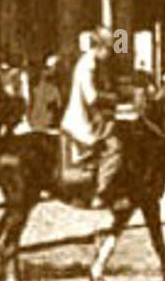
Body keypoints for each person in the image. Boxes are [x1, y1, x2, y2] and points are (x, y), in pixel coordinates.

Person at [61, 27, 123, 208]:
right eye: (108, 50)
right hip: (81, 121)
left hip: (93, 117)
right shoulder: (88, 64)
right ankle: (101, 192)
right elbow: (91, 96)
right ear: (100, 47)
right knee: (115, 148)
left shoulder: (95, 63)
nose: (110, 55)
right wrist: (114, 97)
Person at [27, 53, 64, 132]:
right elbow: (54, 104)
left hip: (44, 124)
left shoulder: (56, 83)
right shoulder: (46, 83)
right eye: (54, 66)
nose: (56, 69)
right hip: (44, 125)